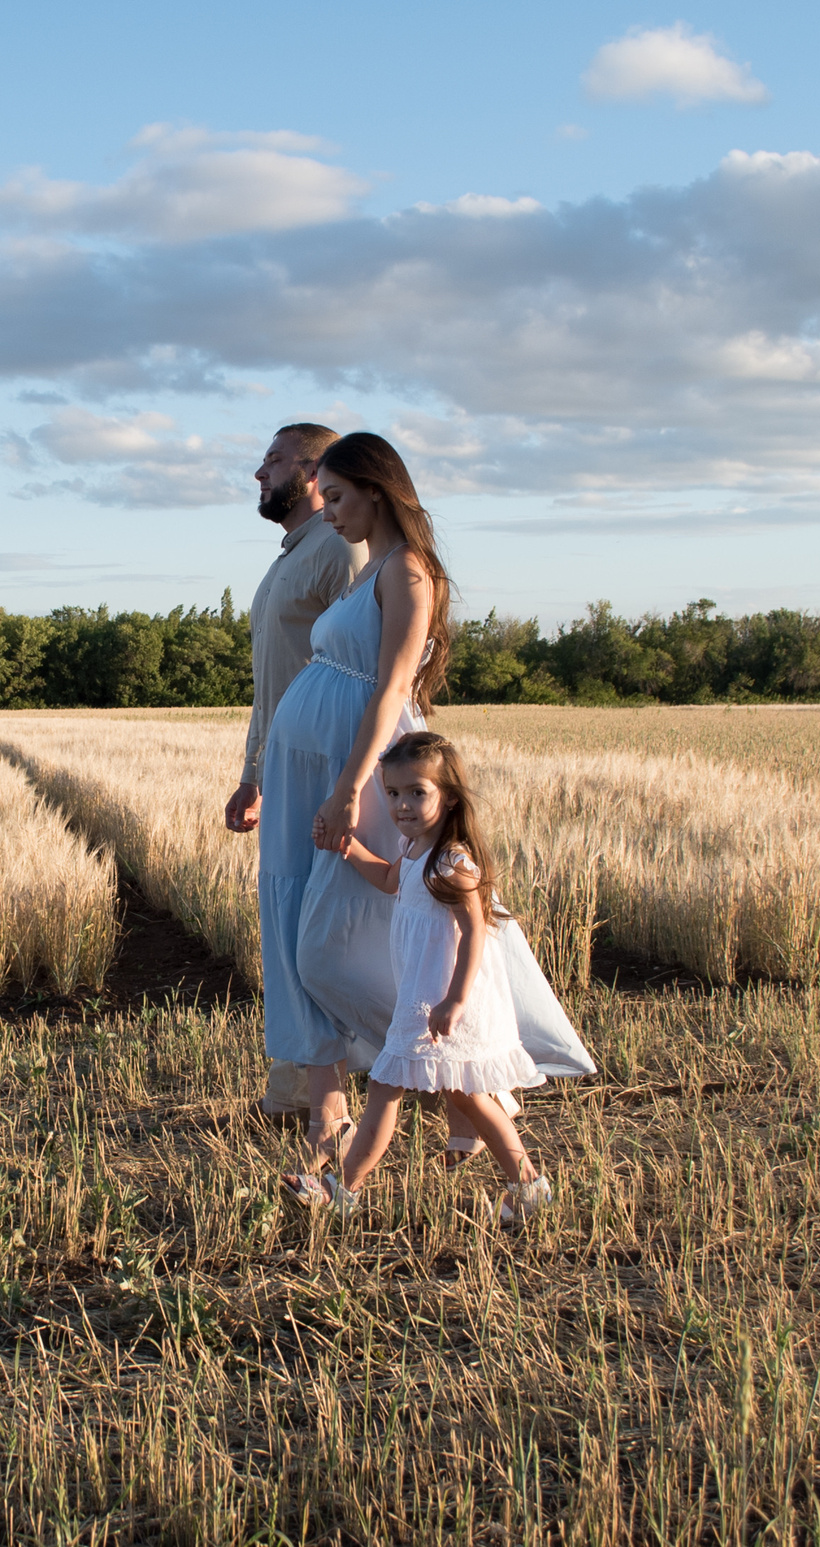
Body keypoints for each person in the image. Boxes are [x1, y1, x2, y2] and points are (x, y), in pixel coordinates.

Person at [279, 732, 595, 1226]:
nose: (402, 805)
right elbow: (389, 880)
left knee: (390, 1085)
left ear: (447, 796)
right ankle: (528, 1184)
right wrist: (346, 847)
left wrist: (455, 1000)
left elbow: (475, 935)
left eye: (416, 793)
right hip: (420, 998)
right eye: (393, 793)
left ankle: (341, 1189)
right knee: (463, 1095)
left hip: (438, 1003)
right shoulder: (413, 850)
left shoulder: (453, 864)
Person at [256, 431, 458, 1175]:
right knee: (291, 923)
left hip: (352, 766)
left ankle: (452, 1073)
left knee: (339, 938)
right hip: (306, 765)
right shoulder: (369, 566)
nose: (328, 510)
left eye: (337, 496)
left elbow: (392, 689)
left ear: (377, 489)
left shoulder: (406, 572)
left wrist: (349, 788)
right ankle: (325, 1108)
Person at [225, 423, 365, 1119]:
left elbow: (365, 663)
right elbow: (270, 682)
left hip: (327, 767)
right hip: (284, 767)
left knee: (332, 923)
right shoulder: (290, 558)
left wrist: (357, 781)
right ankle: (297, 1087)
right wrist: (251, 772)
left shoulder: (341, 551)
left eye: (274, 460)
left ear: (314, 471)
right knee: (288, 920)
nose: (259, 472)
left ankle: (427, 1077)